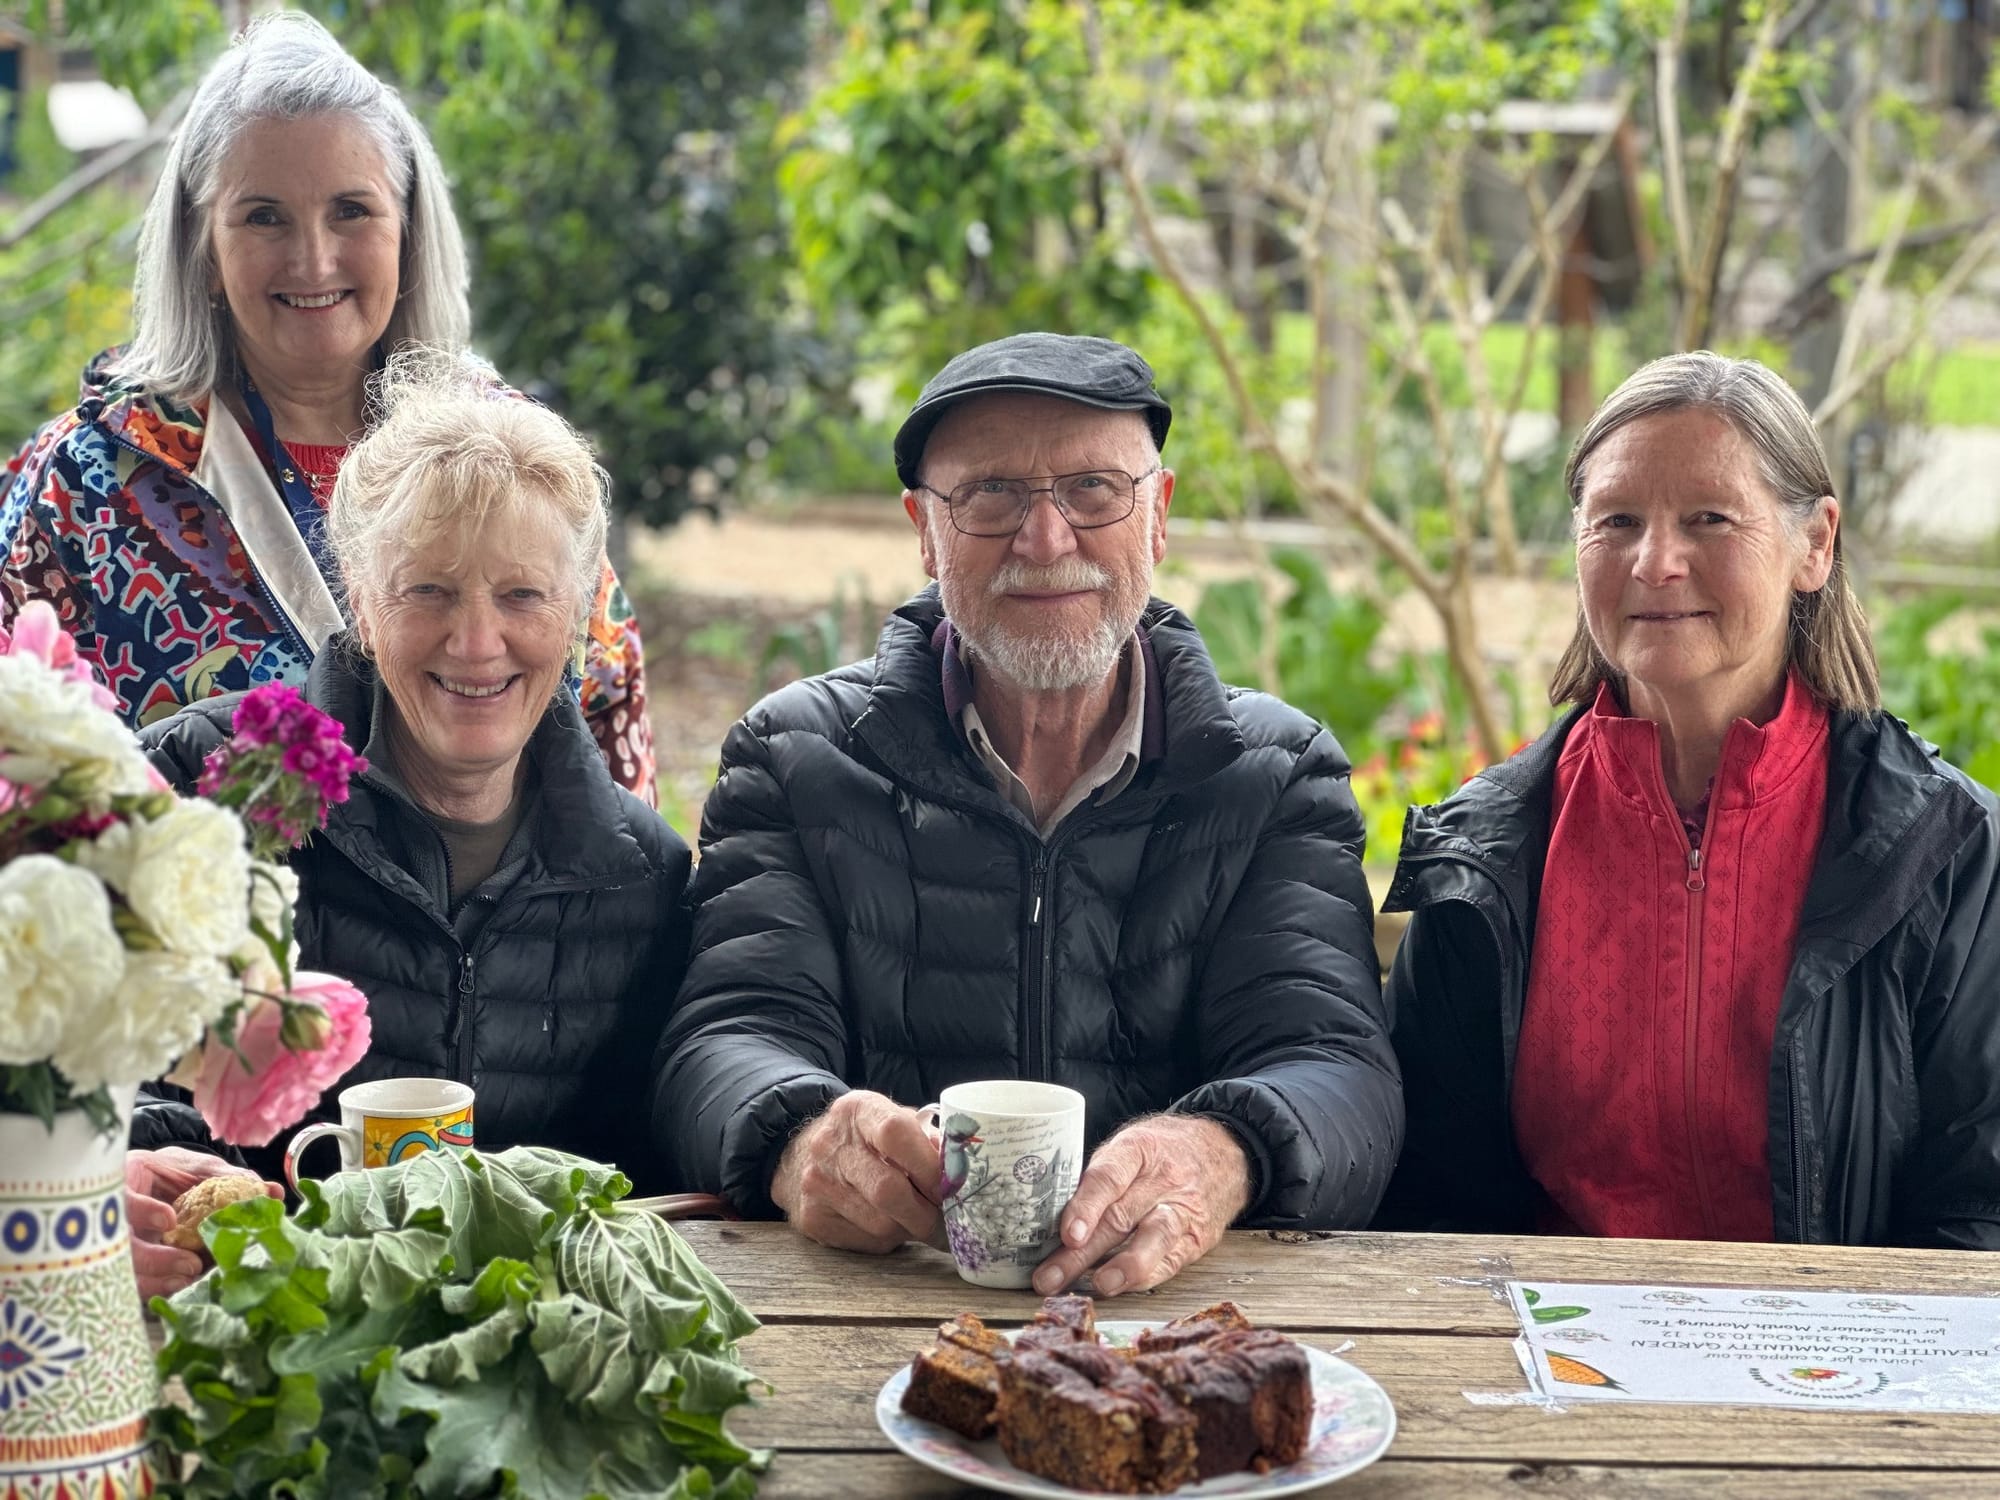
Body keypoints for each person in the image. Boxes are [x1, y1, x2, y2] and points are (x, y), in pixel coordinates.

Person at [653, 332, 1402, 1295]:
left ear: (1159, 515)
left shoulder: (1272, 773)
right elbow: (725, 1037)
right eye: (991, 496)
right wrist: (801, 1134)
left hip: (1174, 1310)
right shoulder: (799, 756)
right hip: (877, 1302)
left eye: (1094, 490)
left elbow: (1335, 1064)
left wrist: (1222, 1151)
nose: (1045, 541)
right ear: (924, 529)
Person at [1379, 351, 2000, 1249]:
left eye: (1709, 519)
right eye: (1617, 521)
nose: (1656, 562)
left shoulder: (1947, 851)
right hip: (1547, 1359)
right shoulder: (1484, 858)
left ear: (1815, 545)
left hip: (1846, 1367)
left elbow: (1979, 1209)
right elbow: (1430, 1196)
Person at [132, 352, 691, 1296]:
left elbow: (652, 1178)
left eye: (521, 595)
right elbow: (83, 1049)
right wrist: (148, 1160)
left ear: (581, 608)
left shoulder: (644, 878)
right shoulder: (204, 779)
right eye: (428, 589)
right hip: (227, 1318)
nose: (477, 642)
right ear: (357, 589)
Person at [0, 11, 655, 798]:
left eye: (352, 210)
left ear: (408, 231)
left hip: (508, 923)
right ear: (204, 248)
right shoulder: (82, 487)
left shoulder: (508, 455)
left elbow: (609, 728)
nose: (313, 258)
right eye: (263, 216)